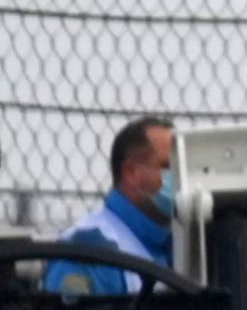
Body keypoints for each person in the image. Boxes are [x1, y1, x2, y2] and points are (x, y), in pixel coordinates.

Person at [44, 115, 177, 299]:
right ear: (131, 173)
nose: (180, 177)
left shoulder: (179, 245)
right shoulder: (87, 251)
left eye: (183, 167)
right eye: (168, 166)